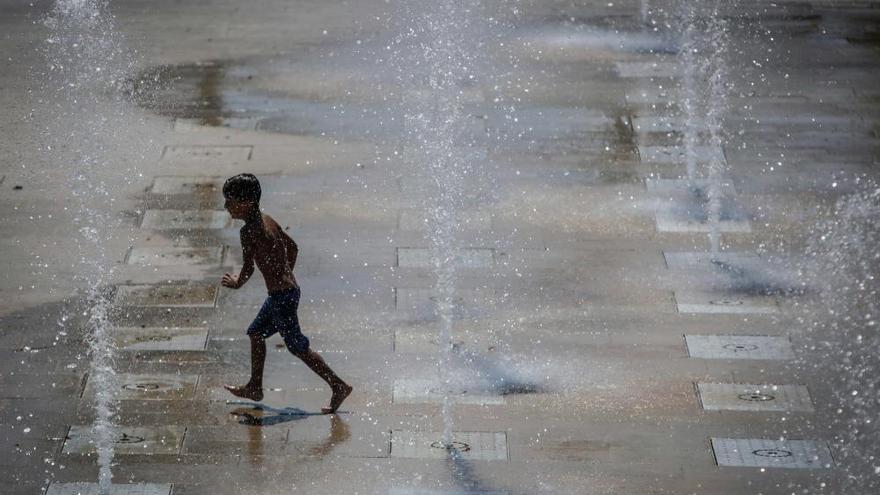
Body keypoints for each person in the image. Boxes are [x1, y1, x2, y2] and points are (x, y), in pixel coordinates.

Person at [220, 173, 352, 414]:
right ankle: (255, 387)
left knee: (297, 346)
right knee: (256, 332)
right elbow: (292, 247)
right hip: (287, 291)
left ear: (246, 202)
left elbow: (248, 267)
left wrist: (237, 282)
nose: (226, 206)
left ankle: (338, 385)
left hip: (282, 297)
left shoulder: (248, 232)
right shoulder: (267, 219)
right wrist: (284, 273)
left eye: (229, 201)